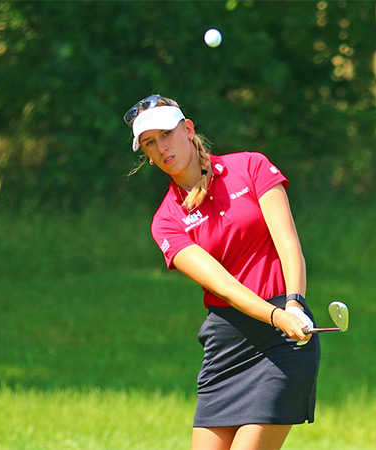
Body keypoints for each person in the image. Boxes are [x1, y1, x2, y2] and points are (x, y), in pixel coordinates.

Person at [124, 94, 321, 450]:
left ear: (188, 129)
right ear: (147, 156)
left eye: (166, 134)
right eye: (150, 143)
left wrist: (294, 304)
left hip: (286, 339)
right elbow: (225, 287)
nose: (161, 147)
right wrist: (277, 316)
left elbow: (288, 243)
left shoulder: (251, 166)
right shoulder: (166, 221)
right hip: (229, 342)